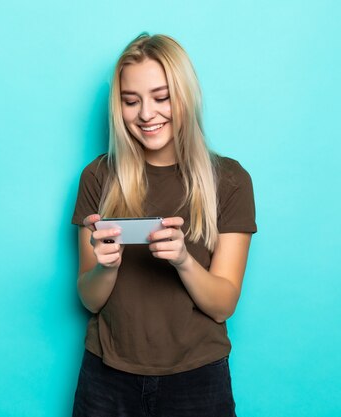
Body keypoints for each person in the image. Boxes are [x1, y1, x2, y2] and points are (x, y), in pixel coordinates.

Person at [70, 33, 257, 417]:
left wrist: (184, 261)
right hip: (107, 376)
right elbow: (89, 298)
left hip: (198, 379)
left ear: (185, 96)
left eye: (162, 96)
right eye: (130, 101)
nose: (146, 114)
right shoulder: (97, 177)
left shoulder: (231, 180)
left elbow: (223, 305)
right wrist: (107, 266)